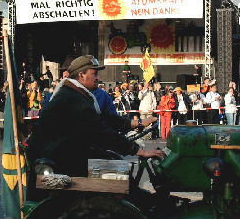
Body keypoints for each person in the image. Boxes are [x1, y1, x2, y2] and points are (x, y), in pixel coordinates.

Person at [27, 55, 163, 178]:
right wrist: (138, 151)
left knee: (113, 160)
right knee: (118, 170)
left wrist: (138, 123)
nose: (97, 78)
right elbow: (101, 131)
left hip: (64, 152)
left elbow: (104, 119)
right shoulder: (73, 98)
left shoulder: (76, 94)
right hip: (55, 159)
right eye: (94, 74)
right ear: (81, 75)